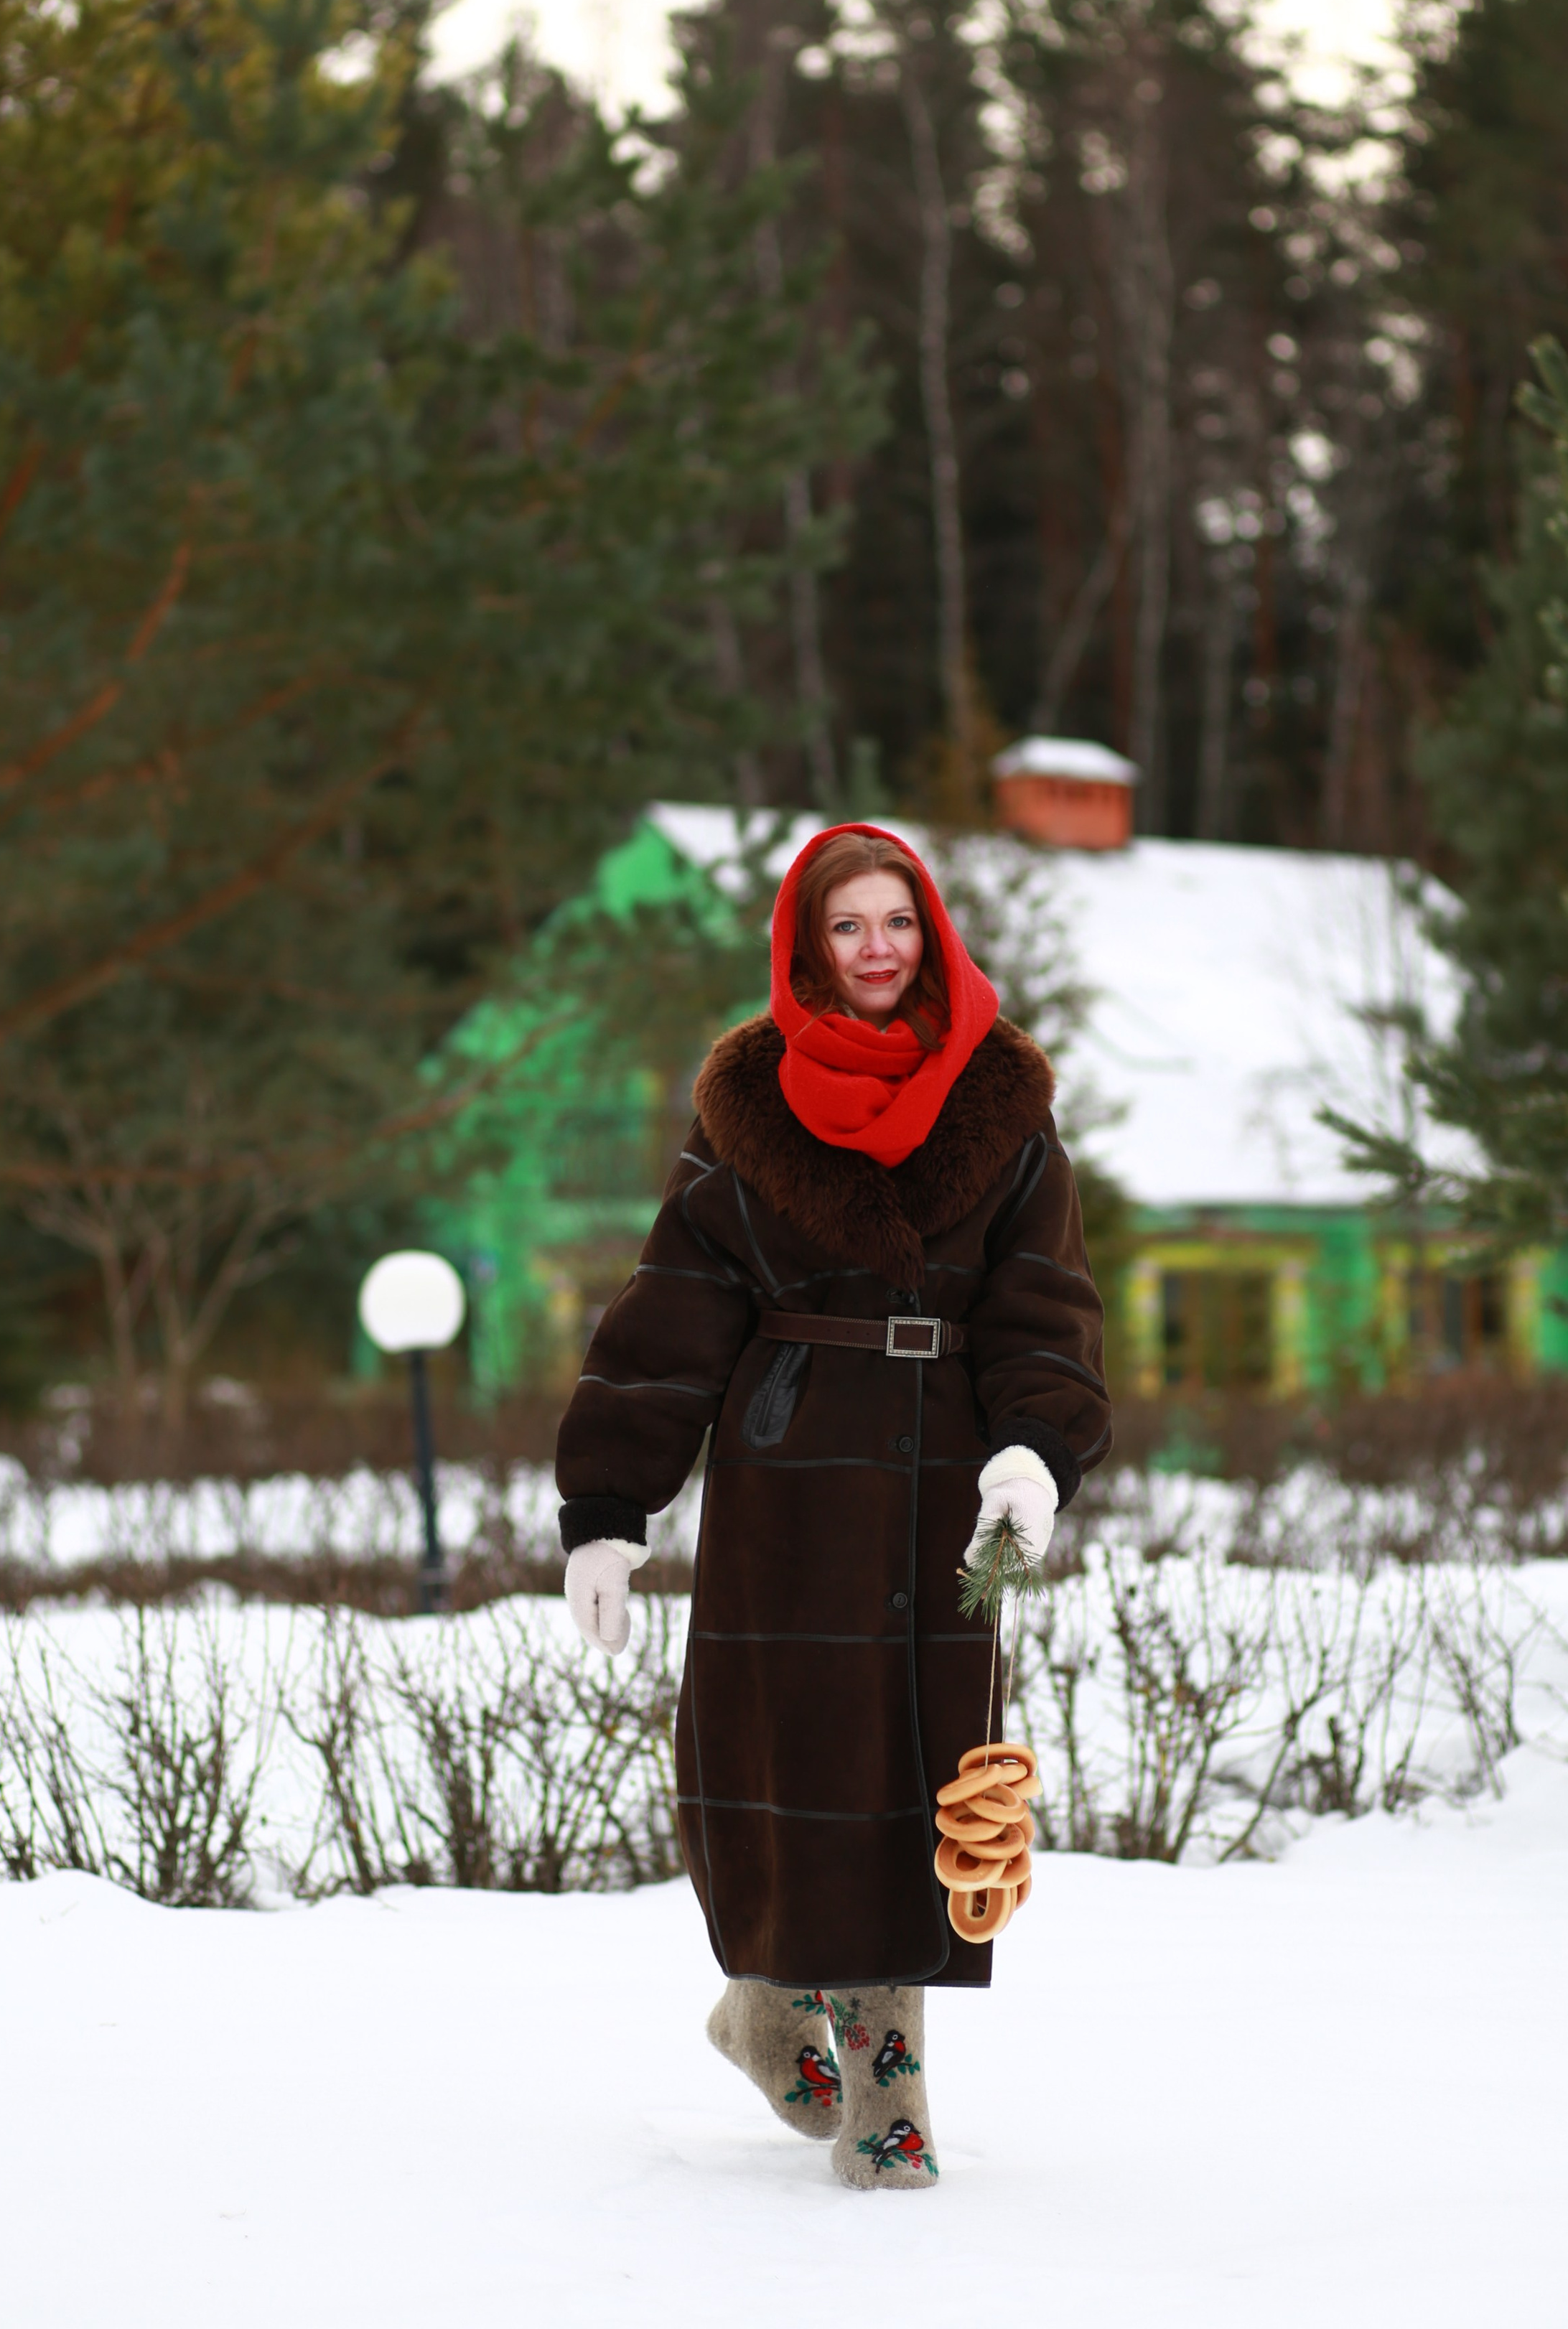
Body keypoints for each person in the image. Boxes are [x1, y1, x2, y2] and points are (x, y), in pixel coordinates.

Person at [556, 823, 1109, 2189]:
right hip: (788, 1475)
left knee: (920, 1774)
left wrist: (1035, 1450)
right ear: (808, 950)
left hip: (948, 1485)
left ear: (934, 936)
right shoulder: (748, 1115)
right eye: (848, 928)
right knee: (791, 1760)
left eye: (899, 923)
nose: (876, 950)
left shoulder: (1003, 1107)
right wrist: (611, 1504)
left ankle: (882, 2074)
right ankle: (773, 2002)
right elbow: (673, 1316)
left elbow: (1045, 1305)